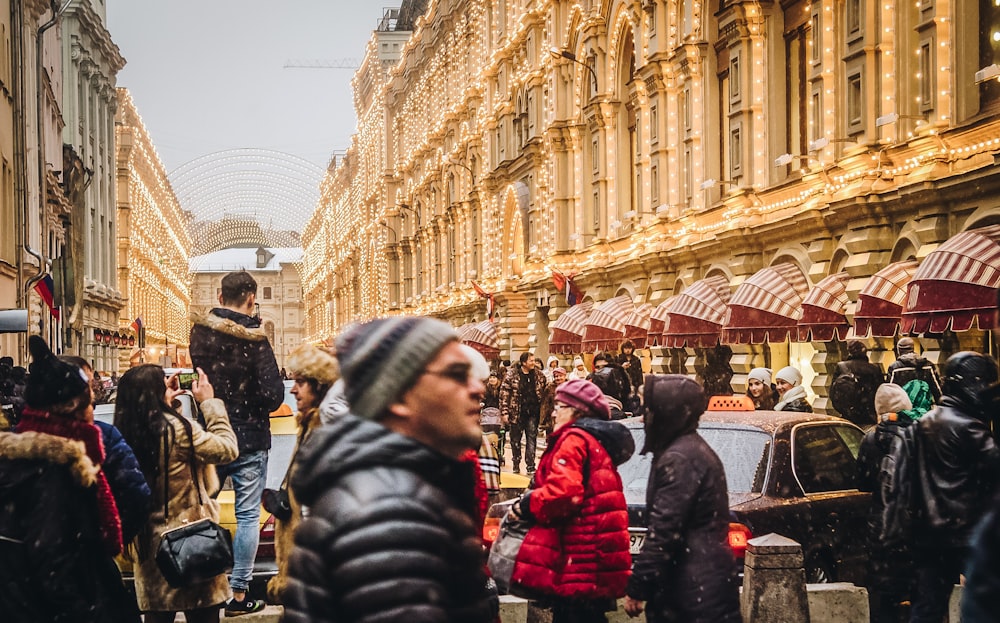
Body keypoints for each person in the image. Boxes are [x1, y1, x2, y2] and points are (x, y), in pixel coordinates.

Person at [283, 317, 495, 622]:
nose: (478, 388)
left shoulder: (396, 491)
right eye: (456, 374)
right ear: (399, 396)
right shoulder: (392, 514)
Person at [0, 336, 139, 622]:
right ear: (73, 408)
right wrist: (86, 611)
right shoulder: (55, 471)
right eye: (89, 402)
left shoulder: (18, 461)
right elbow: (54, 564)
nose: (93, 411)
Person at [188, 270, 284, 616]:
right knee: (247, 516)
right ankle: (239, 595)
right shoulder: (255, 340)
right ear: (250, 300)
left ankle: (202, 588)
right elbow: (274, 395)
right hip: (250, 438)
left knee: (202, 510)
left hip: (212, 433)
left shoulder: (199, 335)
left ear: (218, 297)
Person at [115, 365, 238, 623]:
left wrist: (163, 403)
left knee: (157, 616)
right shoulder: (177, 430)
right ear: (157, 394)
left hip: (151, 548)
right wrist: (210, 403)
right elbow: (227, 449)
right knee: (204, 615)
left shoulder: (126, 432)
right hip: (192, 542)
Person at [507, 379, 633, 623]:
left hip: (578, 559)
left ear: (577, 410)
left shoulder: (573, 439)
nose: (554, 412)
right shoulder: (595, 441)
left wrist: (527, 504)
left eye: (559, 405)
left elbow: (564, 493)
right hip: (593, 560)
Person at [625, 374, 741, 623]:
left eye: (649, 409)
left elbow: (664, 532)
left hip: (691, 591)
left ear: (667, 412)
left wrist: (638, 587)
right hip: (700, 584)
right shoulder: (687, 450)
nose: (645, 416)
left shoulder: (679, 458)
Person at [911, 351, 1000, 622]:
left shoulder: (924, 423)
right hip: (964, 532)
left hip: (928, 532)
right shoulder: (969, 428)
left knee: (928, 607)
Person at [266, 344, 339, 605]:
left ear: (319, 386)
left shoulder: (325, 431)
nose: (293, 389)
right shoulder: (308, 425)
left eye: (300, 382)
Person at [60, 355, 151, 545]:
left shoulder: (20, 438)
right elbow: (137, 499)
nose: (92, 398)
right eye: (89, 389)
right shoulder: (103, 436)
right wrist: (106, 542)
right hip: (87, 556)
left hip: (30, 565)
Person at [856, 383, 917, 623]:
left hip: (880, 524)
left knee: (882, 593)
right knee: (916, 592)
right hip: (912, 524)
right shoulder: (916, 437)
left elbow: (862, 482)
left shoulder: (870, 439)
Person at [499, 351, 546, 474]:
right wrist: (504, 412)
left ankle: (530, 465)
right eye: (531, 360)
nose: (533, 363)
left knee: (532, 438)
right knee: (515, 440)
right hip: (516, 413)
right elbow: (504, 395)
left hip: (533, 413)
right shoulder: (511, 376)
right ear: (523, 362)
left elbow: (544, 392)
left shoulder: (539, 375)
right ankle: (516, 463)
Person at [830, 340, 885, 427]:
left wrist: (844, 409)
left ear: (849, 352)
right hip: (868, 416)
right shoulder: (874, 369)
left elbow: (832, 393)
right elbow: (881, 392)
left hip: (847, 416)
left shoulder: (841, 367)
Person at [887, 337, 942, 401]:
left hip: (904, 408)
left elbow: (889, 392)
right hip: (924, 407)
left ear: (899, 350)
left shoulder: (895, 368)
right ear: (913, 348)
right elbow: (937, 390)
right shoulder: (928, 365)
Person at [539, 366, 567, 438]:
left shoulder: (570, 386)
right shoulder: (549, 388)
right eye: (556, 376)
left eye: (560, 376)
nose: (558, 378)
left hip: (566, 417)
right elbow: (544, 404)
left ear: (565, 376)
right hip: (552, 418)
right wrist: (542, 421)